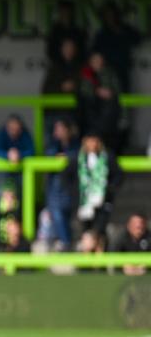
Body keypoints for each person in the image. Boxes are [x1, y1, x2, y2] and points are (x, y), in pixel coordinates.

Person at [63, 131, 122, 243]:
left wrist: (109, 189)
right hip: (83, 201)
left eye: (94, 141)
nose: (92, 144)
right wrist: (74, 191)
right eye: (89, 141)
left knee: (100, 230)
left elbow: (118, 175)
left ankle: (100, 254)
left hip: (102, 200)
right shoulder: (77, 158)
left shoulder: (107, 157)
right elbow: (65, 176)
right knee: (85, 231)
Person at [77, 50, 123, 154]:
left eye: (99, 60)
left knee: (109, 146)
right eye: (94, 60)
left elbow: (117, 92)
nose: (97, 63)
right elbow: (82, 92)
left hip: (108, 121)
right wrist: (97, 91)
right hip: (89, 118)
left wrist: (110, 94)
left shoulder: (110, 73)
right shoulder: (85, 74)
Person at [44, 118, 79, 251]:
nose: (57, 132)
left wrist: (67, 158)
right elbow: (49, 156)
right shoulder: (53, 144)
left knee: (66, 215)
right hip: (55, 187)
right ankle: (65, 242)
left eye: (60, 128)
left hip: (70, 186)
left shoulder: (75, 144)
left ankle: (65, 241)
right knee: (56, 213)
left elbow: (77, 157)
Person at [0, 115, 35, 194]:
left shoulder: (25, 135)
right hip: (4, 170)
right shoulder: (1, 134)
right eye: (11, 129)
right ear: (7, 128)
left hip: (21, 170)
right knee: (0, 192)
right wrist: (8, 155)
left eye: (16, 129)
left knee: (22, 191)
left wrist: (19, 154)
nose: (14, 132)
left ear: (20, 128)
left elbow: (31, 151)